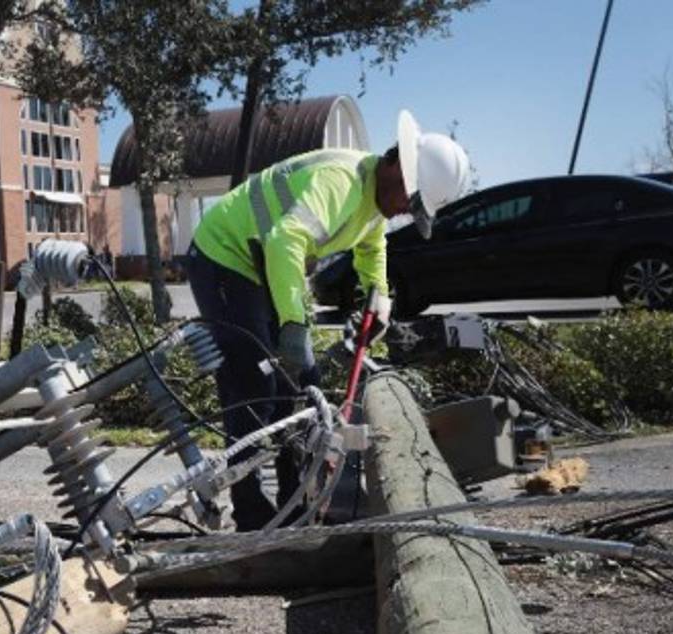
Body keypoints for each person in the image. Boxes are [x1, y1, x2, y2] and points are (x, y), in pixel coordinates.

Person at [186, 110, 470, 530]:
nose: (402, 214)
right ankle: (250, 513)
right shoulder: (341, 182)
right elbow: (287, 238)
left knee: (300, 389)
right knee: (253, 383)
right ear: (397, 170)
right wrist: (294, 326)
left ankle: (294, 504)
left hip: (266, 263)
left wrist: (381, 300)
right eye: (409, 203)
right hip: (224, 255)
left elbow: (372, 250)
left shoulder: (374, 203)